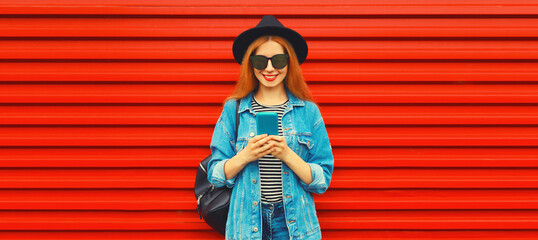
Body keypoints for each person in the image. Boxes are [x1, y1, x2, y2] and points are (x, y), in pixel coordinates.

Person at [207, 15, 334, 240]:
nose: (269, 68)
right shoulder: (233, 109)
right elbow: (215, 174)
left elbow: (322, 179)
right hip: (246, 224)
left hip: (296, 225)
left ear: (289, 63)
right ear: (251, 64)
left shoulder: (308, 111)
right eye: (260, 61)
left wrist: (287, 154)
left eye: (278, 60)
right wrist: (245, 156)